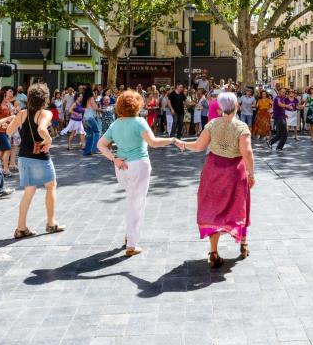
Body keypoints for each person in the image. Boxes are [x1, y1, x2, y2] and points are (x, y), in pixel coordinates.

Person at [96, 90, 183, 256]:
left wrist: (114, 159)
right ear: (137, 105)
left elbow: (101, 145)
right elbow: (153, 142)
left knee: (131, 200)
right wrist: (172, 140)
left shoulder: (116, 124)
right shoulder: (139, 122)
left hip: (121, 167)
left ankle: (129, 235)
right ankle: (132, 244)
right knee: (137, 204)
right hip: (139, 165)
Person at [181, 92, 255, 267]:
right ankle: (243, 243)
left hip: (213, 169)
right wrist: (251, 173)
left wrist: (182, 143)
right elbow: (247, 152)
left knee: (213, 208)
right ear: (237, 106)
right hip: (234, 171)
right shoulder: (241, 127)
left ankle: (213, 252)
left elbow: (199, 146)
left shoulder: (212, 124)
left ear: (220, 107)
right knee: (239, 204)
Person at [6, 84, 65, 238]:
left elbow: (9, 131)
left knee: (29, 191)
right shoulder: (45, 113)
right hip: (39, 156)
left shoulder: (22, 113)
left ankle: (21, 227)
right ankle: (51, 223)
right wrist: (49, 140)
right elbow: (41, 130)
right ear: (45, 98)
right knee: (51, 186)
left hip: (24, 156)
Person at [82, 86, 100, 156]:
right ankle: (94, 149)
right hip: (90, 118)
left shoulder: (84, 98)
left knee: (89, 135)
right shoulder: (91, 98)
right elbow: (95, 107)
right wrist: (96, 103)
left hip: (85, 118)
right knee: (97, 131)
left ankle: (87, 151)